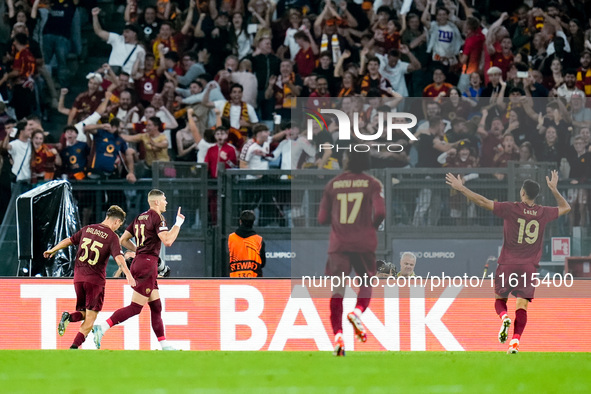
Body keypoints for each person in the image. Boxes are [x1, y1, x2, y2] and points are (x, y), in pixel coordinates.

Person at [446, 171, 570, 354]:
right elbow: (566, 207)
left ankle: (504, 317)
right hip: (529, 267)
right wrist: (554, 188)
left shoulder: (512, 208)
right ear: (535, 195)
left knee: (500, 300)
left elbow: (482, 201)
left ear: (522, 193)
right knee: (522, 305)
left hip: (508, 264)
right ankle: (515, 342)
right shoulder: (543, 212)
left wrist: (461, 187)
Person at [92, 189, 184, 351]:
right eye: (164, 199)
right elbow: (167, 240)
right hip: (147, 264)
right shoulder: (158, 217)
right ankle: (102, 327)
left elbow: (123, 239)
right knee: (135, 307)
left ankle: (164, 345)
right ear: (156, 202)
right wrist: (178, 224)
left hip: (142, 262)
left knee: (156, 306)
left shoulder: (140, 217)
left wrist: (139, 250)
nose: (166, 202)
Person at [318, 150, 386, 357]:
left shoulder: (333, 184)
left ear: (347, 161)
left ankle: (338, 337)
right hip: (363, 242)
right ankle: (357, 312)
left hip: (339, 244)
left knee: (337, 290)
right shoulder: (373, 183)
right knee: (366, 282)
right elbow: (381, 212)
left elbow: (321, 218)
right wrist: (369, 227)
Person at [42, 206, 135, 349]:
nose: (118, 228)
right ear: (116, 222)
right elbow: (119, 258)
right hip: (95, 281)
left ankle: (69, 317)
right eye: (119, 225)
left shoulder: (88, 229)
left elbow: (69, 240)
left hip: (78, 278)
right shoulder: (112, 237)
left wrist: (53, 250)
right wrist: (128, 274)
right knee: (91, 319)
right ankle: (74, 348)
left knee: (84, 313)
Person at [227, 210, 265, 277]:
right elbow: (263, 263)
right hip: (254, 278)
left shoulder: (231, 238)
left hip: (234, 278)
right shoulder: (259, 240)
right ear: (253, 222)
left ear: (240, 221)